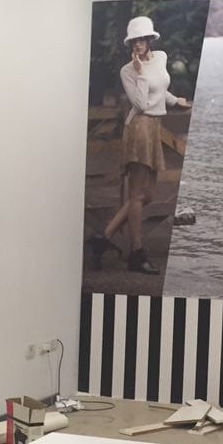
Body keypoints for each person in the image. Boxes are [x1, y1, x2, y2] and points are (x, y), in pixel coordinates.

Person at [91, 16, 190, 275]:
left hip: (154, 127)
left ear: (149, 40)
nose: (137, 44)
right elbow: (141, 104)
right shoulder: (128, 70)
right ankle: (137, 253)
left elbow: (161, 89)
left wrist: (176, 101)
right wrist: (140, 72)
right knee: (137, 194)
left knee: (149, 195)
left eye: (141, 39)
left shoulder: (161, 58)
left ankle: (104, 236)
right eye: (133, 40)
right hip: (139, 128)